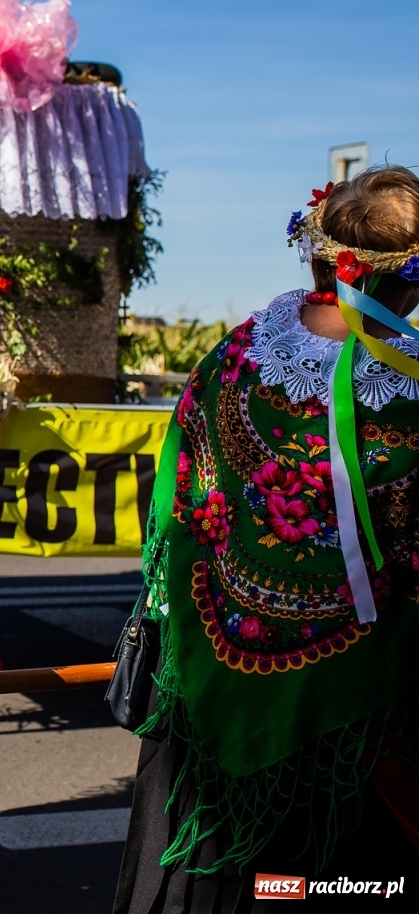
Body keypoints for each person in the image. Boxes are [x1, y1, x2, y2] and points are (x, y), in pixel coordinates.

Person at [113, 167, 419, 913]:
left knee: (214, 890)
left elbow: (175, 501)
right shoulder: (408, 390)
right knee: (325, 884)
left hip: (210, 678)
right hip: (356, 718)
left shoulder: (238, 353)